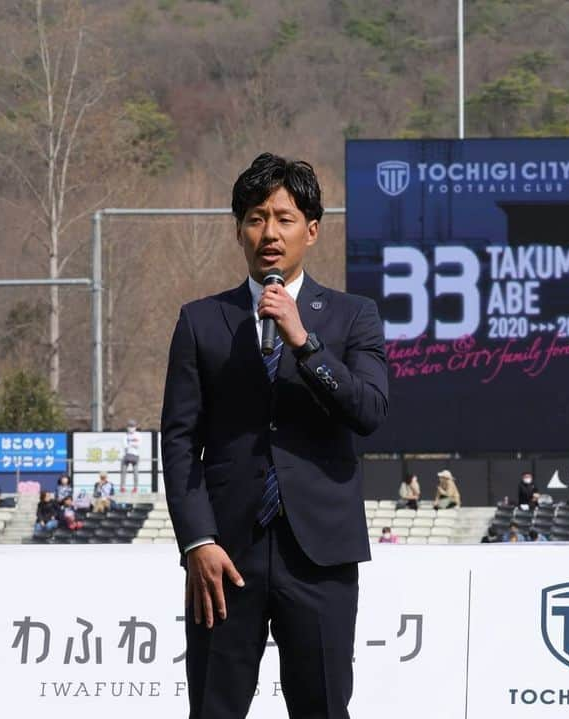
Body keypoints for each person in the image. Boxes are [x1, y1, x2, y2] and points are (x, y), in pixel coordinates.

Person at [161, 153, 388, 719]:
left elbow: (368, 410)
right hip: (224, 555)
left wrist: (304, 341)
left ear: (311, 230)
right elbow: (179, 440)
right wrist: (198, 542)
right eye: (257, 217)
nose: (270, 232)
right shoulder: (200, 320)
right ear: (239, 229)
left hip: (320, 554)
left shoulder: (352, 316)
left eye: (285, 218)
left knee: (324, 708)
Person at [120, 419, 141, 493]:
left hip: (135, 455)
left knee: (135, 473)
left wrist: (130, 443)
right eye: (129, 426)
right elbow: (125, 445)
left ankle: (135, 488)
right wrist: (133, 443)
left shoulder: (138, 434)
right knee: (123, 473)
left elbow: (138, 444)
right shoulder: (125, 435)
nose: (131, 427)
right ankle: (122, 487)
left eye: (132, 426)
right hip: (126, 455)